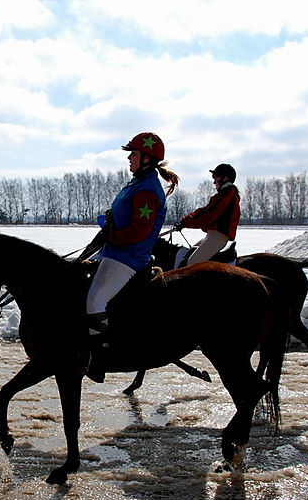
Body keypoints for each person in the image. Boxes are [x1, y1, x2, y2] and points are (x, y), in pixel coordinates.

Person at [84, 132, 179, 380]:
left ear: (147, 158)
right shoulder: (137, 183)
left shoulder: (147, 188)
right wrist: (109, 222)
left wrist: (112, 235)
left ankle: (100, 357)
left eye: (133, 154)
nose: (129, 158)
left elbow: (140, 230)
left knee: (95, 301)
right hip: (114, 251)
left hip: (127, 257)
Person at [174, 163, 240, 266]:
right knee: (189, 253)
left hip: (218, 236)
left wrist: (186, 223)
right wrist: (186, 220)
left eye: (216, 177)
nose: (214, 181)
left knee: (192, 264)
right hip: (212, 235)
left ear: (225, 178)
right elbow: (204, 211)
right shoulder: (223, 194)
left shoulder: (227, 195)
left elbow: (209, 215)